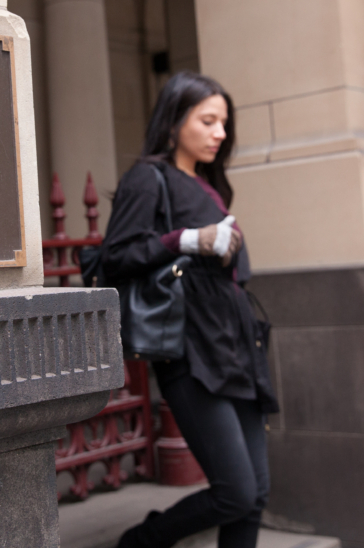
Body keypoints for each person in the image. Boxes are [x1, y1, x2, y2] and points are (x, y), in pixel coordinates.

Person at [103, 71, 279, 548]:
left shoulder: (209, 186)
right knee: (236, 493)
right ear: (176, 119)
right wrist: (186, 240)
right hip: (191, 350)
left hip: (237, 346)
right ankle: (141, 541)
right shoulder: (149, 177)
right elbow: (114, 256)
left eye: (224, 122)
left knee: (256, 493)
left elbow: (232, 272)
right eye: (208, 120)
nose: (220, 133)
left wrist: (224, 250)